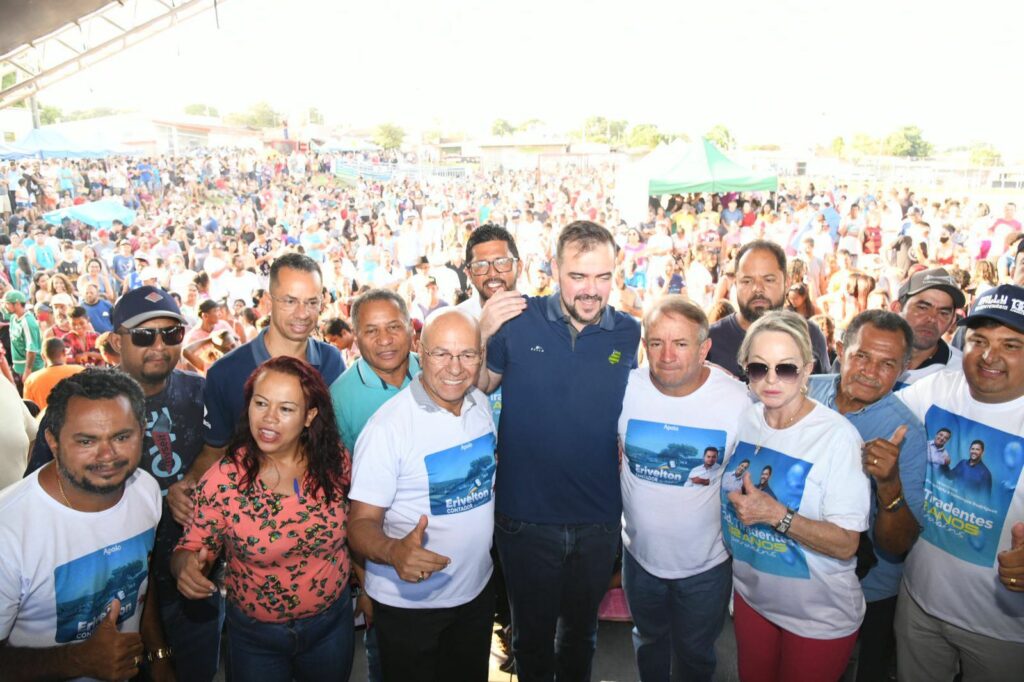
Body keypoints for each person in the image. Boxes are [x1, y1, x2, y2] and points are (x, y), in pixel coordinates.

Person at [24, 284, 223, 680]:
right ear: (115, 340)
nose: (159, 346)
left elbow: (226, 456)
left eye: (172, 334)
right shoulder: (83, 403)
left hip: (193, 582)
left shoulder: (201, 393)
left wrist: (196, 481)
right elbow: (40, 497)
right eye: (144, 335)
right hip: (111, 595)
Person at [479, 221, 641, 681]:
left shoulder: (629, 332)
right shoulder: (515, 319)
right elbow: (476, 389)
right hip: (524, 520)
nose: (591, 290)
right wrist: (482, 329)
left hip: (597, 521)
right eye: (578, 276)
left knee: (580, 638)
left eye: (602, 276)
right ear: (555, 269)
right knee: (529, 639)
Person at [173, 356, 353, 681]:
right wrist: (186, 566)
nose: (269, 419)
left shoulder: (335, 461)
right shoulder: (226, 478)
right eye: (261, 403)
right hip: (257, 639)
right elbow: (192, 546)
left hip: (331, 624)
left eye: (286, 409)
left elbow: (356, 527)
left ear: (309, 416)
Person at [349, 309, 496, 681]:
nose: (455, 367)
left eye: (467, 354)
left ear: (480, 356)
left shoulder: (479, 405)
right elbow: (359, 525)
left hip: (476, 594)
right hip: (411, 608)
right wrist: (393, 550)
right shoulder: (387, 428)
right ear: (420, 351)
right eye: (441, 353)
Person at [722, 310, 869, 682]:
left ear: (807, 370)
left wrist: (777, 516)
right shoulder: (747, 420)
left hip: (817, 616)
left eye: (785, 368)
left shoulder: (837, 438)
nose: (771, 380)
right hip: (753, 598)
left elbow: (846, 543)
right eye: (759, 368)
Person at [0, 368, 171, 681]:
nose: (107, 455)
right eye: (86, 441)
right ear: (52, 441)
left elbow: (143, 579)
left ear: (142, 431)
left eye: (122, 437)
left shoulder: (145, 489)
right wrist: (78, 661)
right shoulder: (8, 532)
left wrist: (159, 656)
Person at [895, 284, 1024, 680]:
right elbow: (870, 417)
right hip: (918, 603)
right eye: (979, 340)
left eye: (1012, 345)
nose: (990, 356)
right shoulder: (937, 391)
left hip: (1003, 631)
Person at [617, 296, 750, 681]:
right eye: (656, 342)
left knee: (695, 653)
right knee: (648, 640)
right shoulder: (626, 388)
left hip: (706, 565)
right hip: (639, 558)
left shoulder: (737, 400)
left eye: (681, 343)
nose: (667, 355)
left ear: (705, 348)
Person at [166, 253, 345, 527]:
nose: (302, 313)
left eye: (311, 302)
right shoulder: (226, 373)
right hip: (254, 526)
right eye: (290, 301)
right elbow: (216, 449)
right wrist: (188, 484)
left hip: (321, 519)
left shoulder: (332, 362)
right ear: (269, 302)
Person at [807, 309, 928, 682]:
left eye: (886, 364)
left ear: (903, 370)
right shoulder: (804, 391)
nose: (869, 371)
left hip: (869, 590)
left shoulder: (907, 433)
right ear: (841, 349)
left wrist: (888, 483)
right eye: (861, 355)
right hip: (798, 571)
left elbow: (899, 543)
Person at [330, 288, 420, 682]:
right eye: (371, 330)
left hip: (441, 551)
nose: (385, 340)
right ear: (354, 336)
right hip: (380, 557)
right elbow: (340, 499)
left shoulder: (435, 371)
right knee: (390, 660)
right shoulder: (340, 398)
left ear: (411, 330)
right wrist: (364, 583)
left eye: (394, 327)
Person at [707, 240, 831, 378]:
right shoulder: (710, 341)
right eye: (747, 281)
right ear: (735, 283)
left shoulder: (811, 335)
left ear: (787, 282)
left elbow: (823, 393)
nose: (758, 289)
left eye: (769, 280)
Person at [892, 267, 966, 386]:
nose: (932, 318)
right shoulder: (862, 355)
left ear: (952, 320)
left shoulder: (963, 373)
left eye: (943, 313)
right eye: (922, 308)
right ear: (897, 308)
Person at [22, 337, 84, 410]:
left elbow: (29, 409)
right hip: (77, 419)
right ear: (64, 352)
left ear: (43, 356)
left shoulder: (32, 379)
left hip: (46, 420)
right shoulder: (81, 371)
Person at [3, 289, 44, 386]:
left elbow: (31, 349)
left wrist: (28, 370)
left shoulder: (27, 322)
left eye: (7, 304)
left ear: (16, 304)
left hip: (31, 368)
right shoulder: (13, 317)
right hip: (18, 366)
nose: (5, 306)